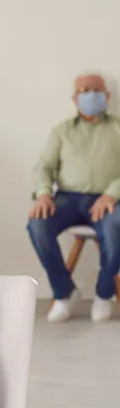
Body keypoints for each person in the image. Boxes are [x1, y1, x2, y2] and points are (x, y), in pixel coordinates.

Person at [28, 73, 120, 324]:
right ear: (75, 98)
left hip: (107, 200)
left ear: (107, 96)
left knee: (116, 226)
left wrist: (111, 194)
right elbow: (44, 166)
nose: (91, 94)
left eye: (96, 89)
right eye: (84, 89)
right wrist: (43, 194)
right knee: (37, 224)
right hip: (67, 198)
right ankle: (64, 291)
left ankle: (104, 293)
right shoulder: (62, 131)